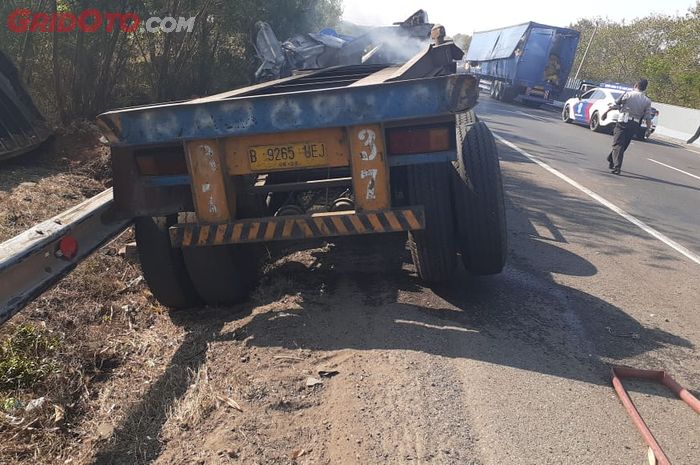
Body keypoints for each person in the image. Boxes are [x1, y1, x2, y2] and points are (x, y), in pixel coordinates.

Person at [603, 79, 653, 174]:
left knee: (618, 144)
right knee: (624, 144)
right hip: (634, 125)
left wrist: (606, 112)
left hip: (623, 122)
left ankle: (617, 167)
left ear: (636, 85)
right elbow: (648, 117)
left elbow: (616, 104)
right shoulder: (647, 100)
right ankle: (611, 159)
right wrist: (648, 129)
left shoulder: (628, 94)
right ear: (645, 88)